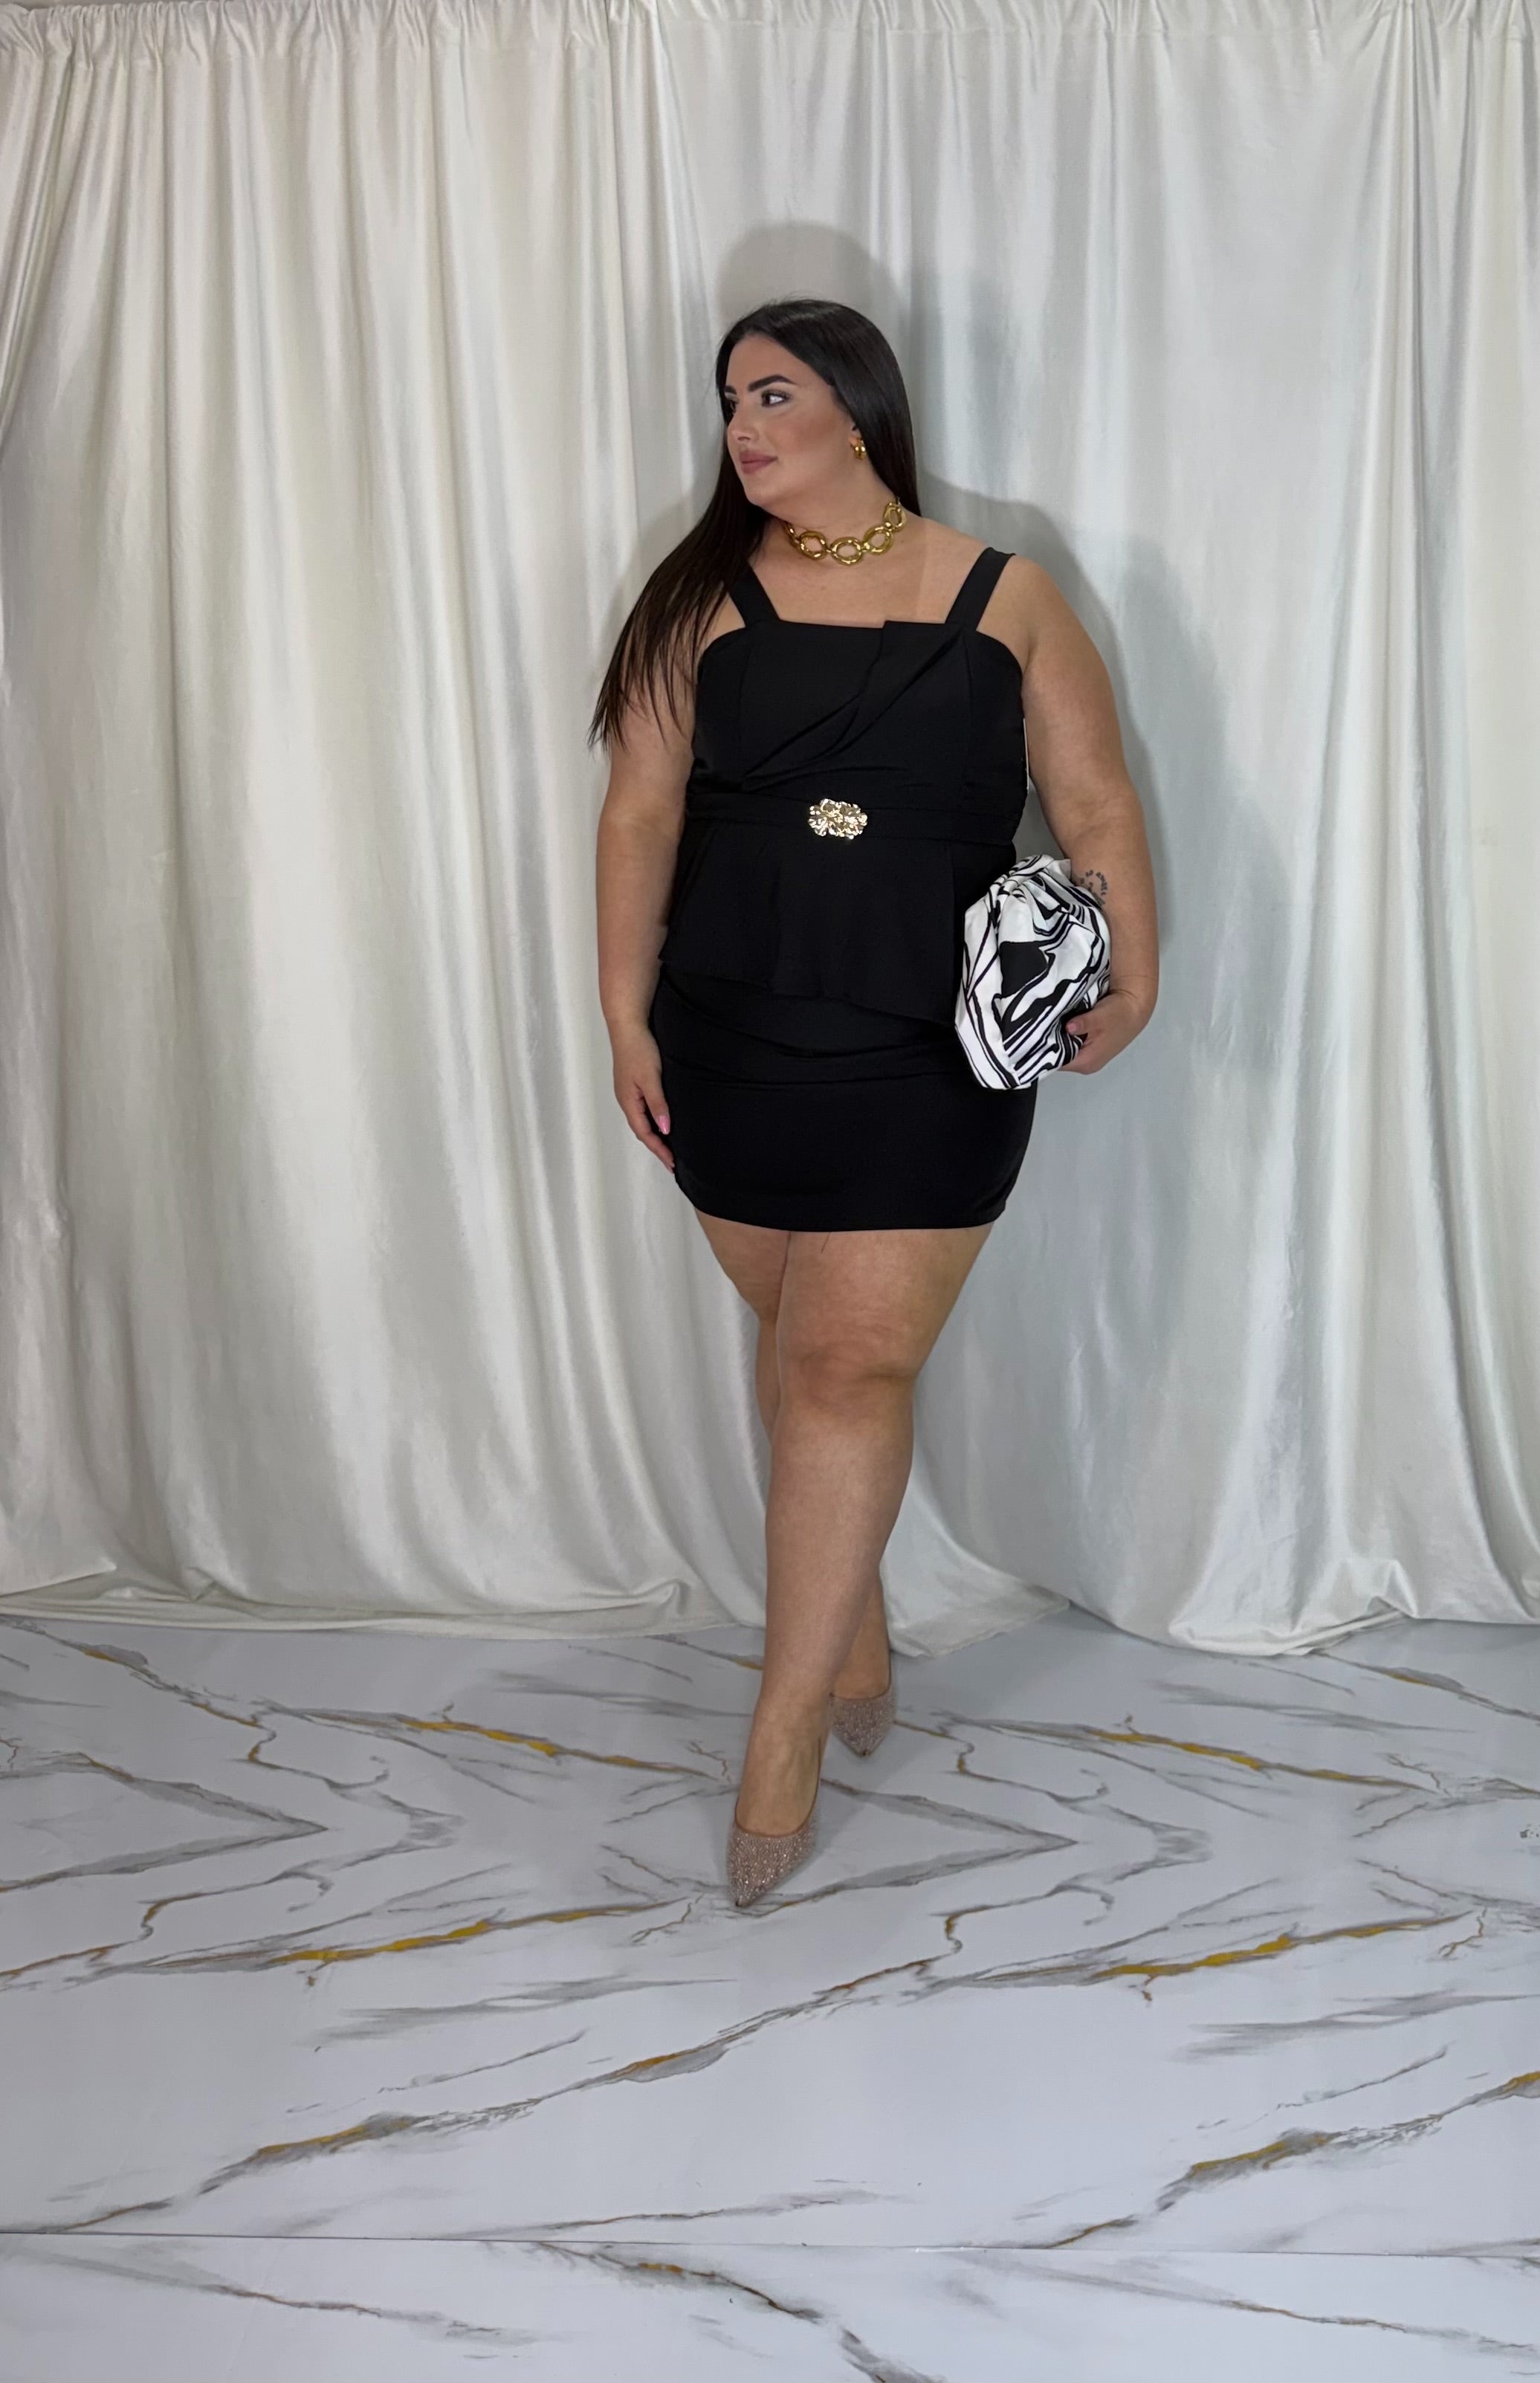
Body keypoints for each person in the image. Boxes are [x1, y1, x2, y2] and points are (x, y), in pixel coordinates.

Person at [591, 297, 1157, 1904]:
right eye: (728, 401)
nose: (741, 427)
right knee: (799, 1351)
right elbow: (639, 815)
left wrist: (1133, 974)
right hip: (730, 1034)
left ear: (857, 406)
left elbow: (1094, 800)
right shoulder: (696, 596)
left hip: (933, 1045)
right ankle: (851, 1628)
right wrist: (623, 1013)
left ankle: (779, 1731)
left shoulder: (1007, 594)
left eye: (772, 394)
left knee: (846, 1365)